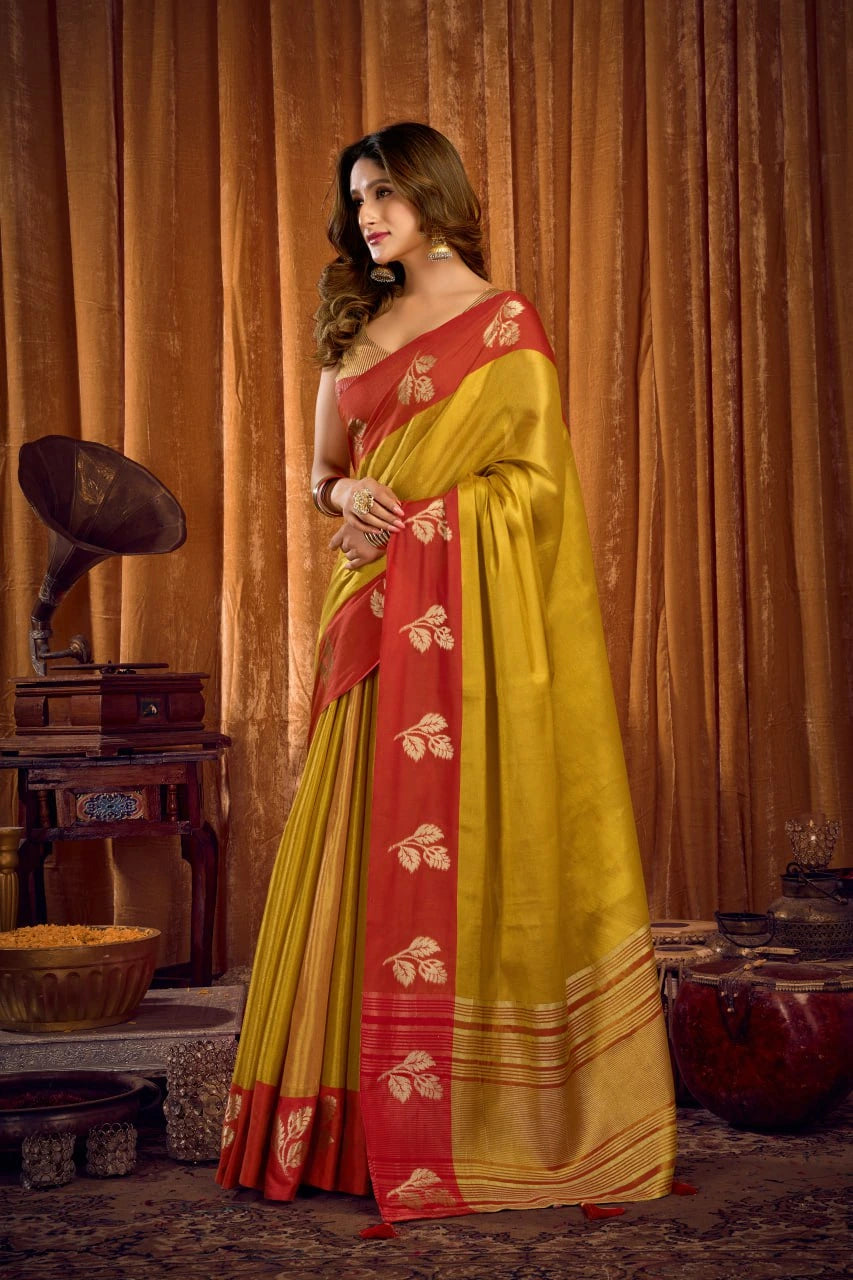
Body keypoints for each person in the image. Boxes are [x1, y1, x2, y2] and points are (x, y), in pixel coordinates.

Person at [217, 122, 676, 1223]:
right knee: (347, 843)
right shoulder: (355, 324)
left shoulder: (506, 325)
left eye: (384, 192)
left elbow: (537, 491)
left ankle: (467, 1117)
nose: (368, 213)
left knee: (460, 841)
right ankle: (338, 1127)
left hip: (465, 636)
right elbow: (323, 473)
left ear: (434, 193)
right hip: (372, 622)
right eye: (357, 197)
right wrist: (348, 500)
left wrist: (426, 519)